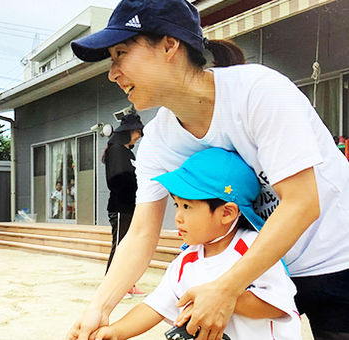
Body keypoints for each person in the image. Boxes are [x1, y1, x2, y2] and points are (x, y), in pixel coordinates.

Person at [67, 0, 349, 339]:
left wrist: (227, 288)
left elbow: (302, 203)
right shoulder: (158, 140)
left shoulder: (259, 92)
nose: (112, 73)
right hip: (255, 270)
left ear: (169, 45)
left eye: (121, 54)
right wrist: (100, 306)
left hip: (336, 260)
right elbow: (142, 233)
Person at [92, 148, 302, 340]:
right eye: (176, 205)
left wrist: (220, 299)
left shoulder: (255, 248)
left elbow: (277, 305)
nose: (178, 217)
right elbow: (156, 306)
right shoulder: (186, 261)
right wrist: (116, 331)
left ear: (227, 213)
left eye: (187, 206)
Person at [102, 113, 145, 297]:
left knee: (130, 247)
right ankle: (110, 288)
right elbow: (117, 179)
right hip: (121, 206)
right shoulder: (116, 150)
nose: (139, 135)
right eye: (137, 131)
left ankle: (127, 284)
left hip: (131, 206)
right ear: (128, 131)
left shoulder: (128, 152)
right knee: (120, 246)